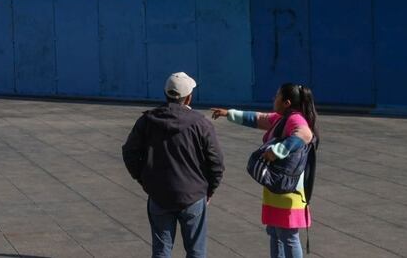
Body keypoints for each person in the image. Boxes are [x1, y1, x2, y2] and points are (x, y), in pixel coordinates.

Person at [122, 72, 225, 258]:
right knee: (196, 251)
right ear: (188, 97)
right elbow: (216, 162)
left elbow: (129, 152)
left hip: (159, 195)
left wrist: (144, 179)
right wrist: (210, 189)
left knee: (161, 251)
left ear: (165, 93)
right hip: (193, 195)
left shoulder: (147, 121)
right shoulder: (201, 124)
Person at [211, 83, 318, 258]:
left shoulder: (295, 119)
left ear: (287, 102)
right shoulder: (282, 118)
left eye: (277, 96)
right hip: (277, 187)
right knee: (275, 233)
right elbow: (258, 118)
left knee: (288, 236)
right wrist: (228, 113)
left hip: (289, 191)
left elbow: (305, 134)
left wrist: (277, 151)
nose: (273, 99)